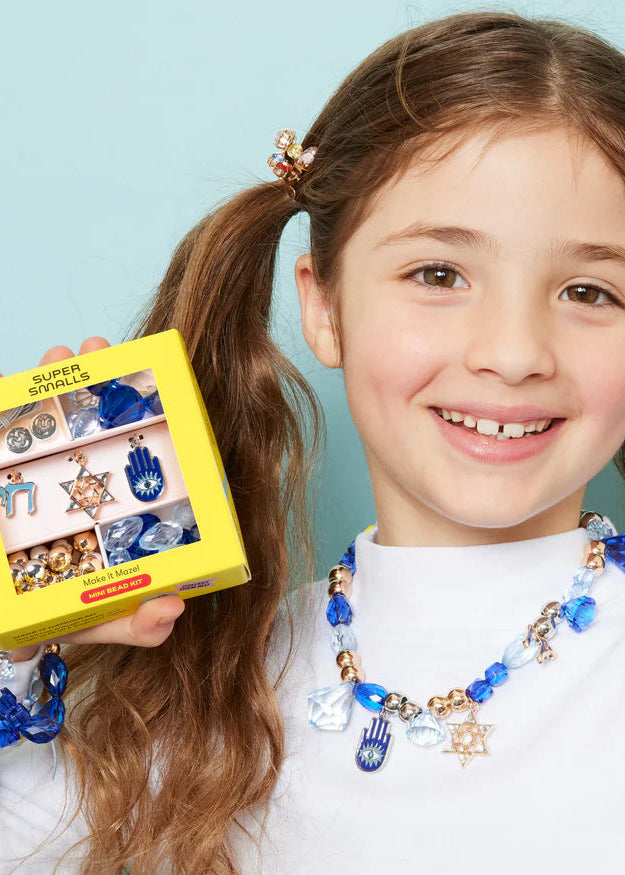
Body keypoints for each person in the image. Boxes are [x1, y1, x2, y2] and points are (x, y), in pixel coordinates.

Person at [3, 8, 625, 873]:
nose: (514, 354)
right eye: (437, 274)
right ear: (323, 307)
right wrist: (17, 633)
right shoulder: (198, 702)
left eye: (591, 291)